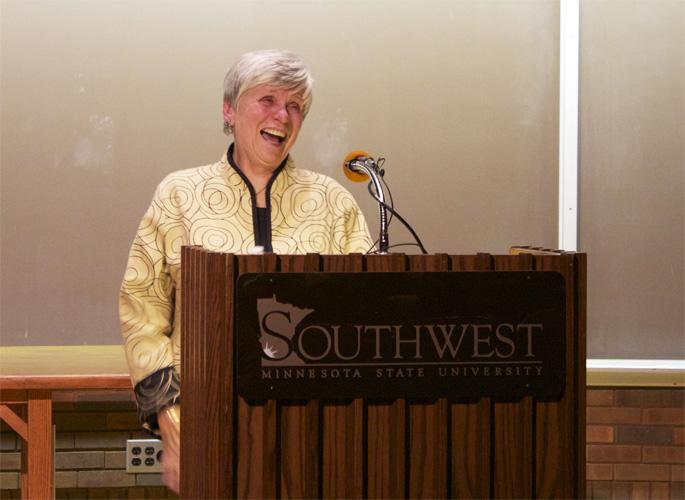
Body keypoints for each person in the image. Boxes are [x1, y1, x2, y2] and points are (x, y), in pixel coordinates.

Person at [119, 49, 373, 493]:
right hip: (206, 426)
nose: (284, 115)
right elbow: (142, 314)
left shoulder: (335, 204)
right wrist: (174, 427)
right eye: (269, 99)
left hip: (322, 435)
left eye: (296, 106)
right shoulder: (179, 195)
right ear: (229, 109)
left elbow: (369, 315)